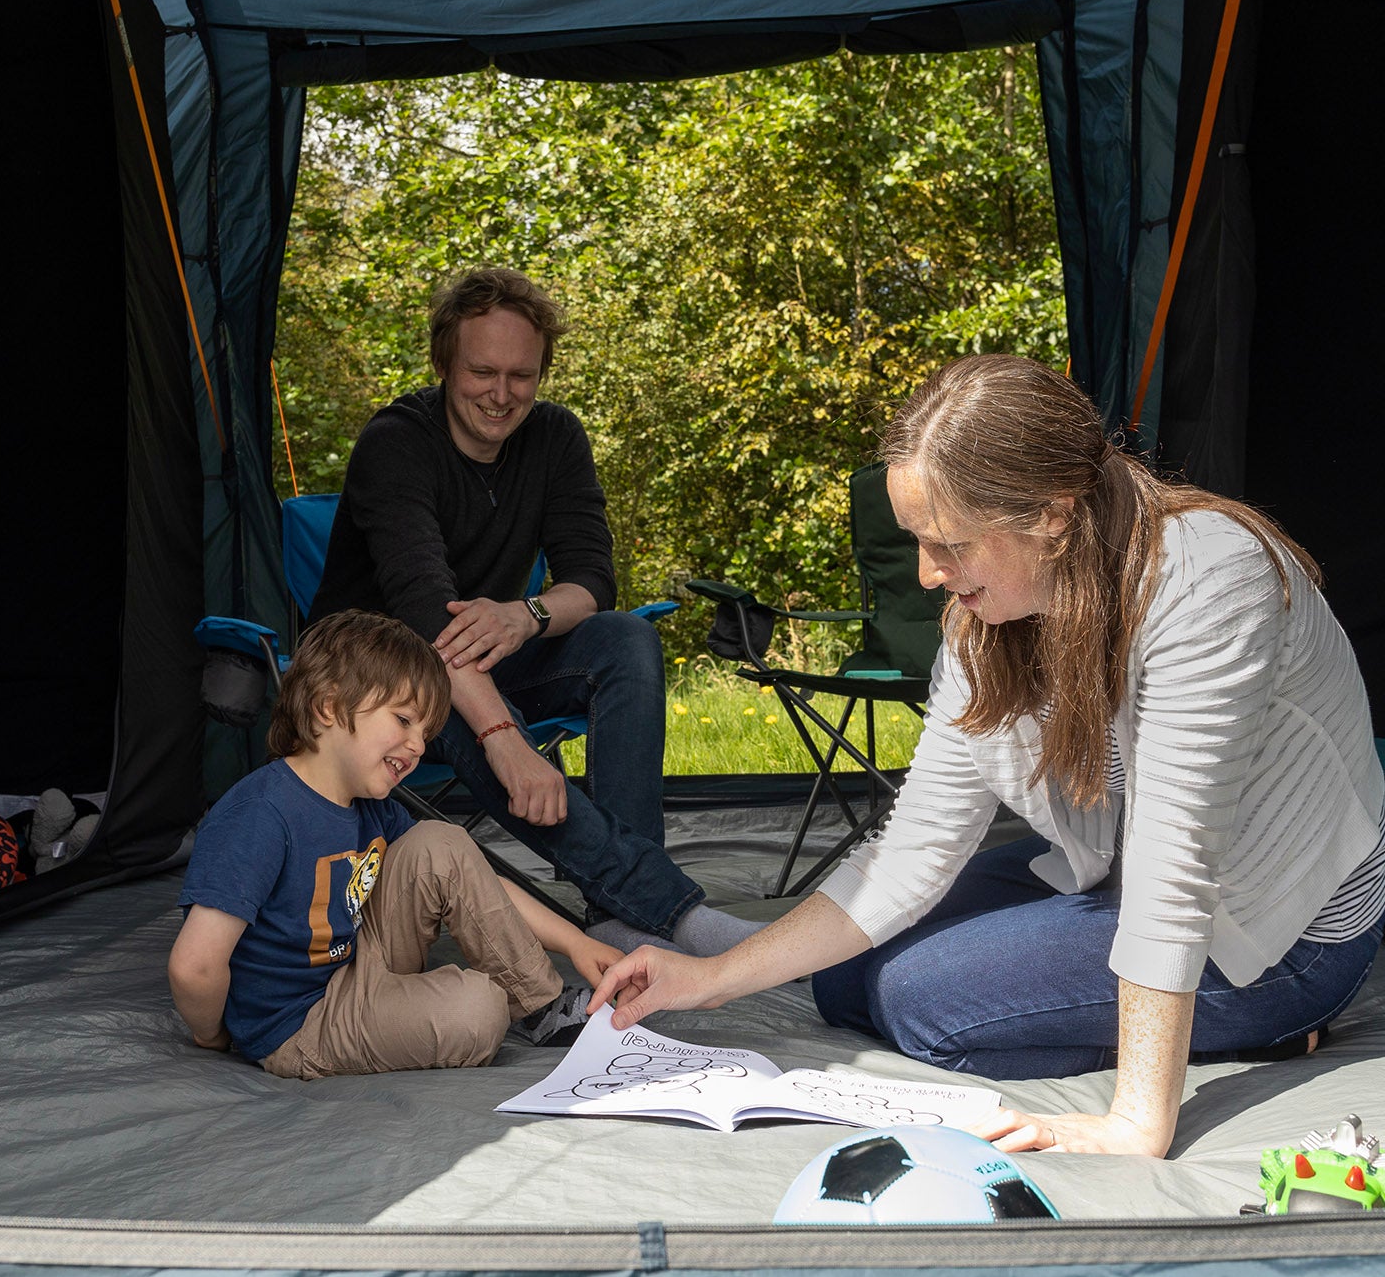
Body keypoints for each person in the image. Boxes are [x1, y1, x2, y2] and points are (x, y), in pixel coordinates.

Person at [589, 355, 1385, 1158]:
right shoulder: (989, 623)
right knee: (839, 977)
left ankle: (1271, 1030)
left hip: (1277, 934)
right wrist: (712, 981)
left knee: (920, 1001)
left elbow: (1173, 870)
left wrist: (1136, 1122)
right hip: (1113, 875)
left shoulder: (1208, 581)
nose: (931, 575)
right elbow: (908, 854)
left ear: (1052, 515)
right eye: (920, 544)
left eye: (950, 545)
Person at [309, 266, 754, 956]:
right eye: (482, 371)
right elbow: (428, 623)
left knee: (625, 638)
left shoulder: (553, 437)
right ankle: (668, 912)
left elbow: (592, 579)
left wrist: (526, 616)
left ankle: (618, 911)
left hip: (482, 653)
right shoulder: (395, 442)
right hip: (369, 677)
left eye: (522, 375)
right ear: (443, 363)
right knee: (441, 684)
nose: (501, 394)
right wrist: (506, 742)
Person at [168, 610, 622, 1077]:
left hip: (361, 962)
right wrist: (213, 1036)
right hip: (300, 1022)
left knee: (441, 842)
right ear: (328, 706)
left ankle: (540, 1005)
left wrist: (575, 943)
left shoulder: (371, 806)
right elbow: (195, 965)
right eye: (403, 720)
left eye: (424, 733)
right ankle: (458, 1007)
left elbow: (475, 882)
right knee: (479, 1010)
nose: (419, 746)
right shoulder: (260, 814)